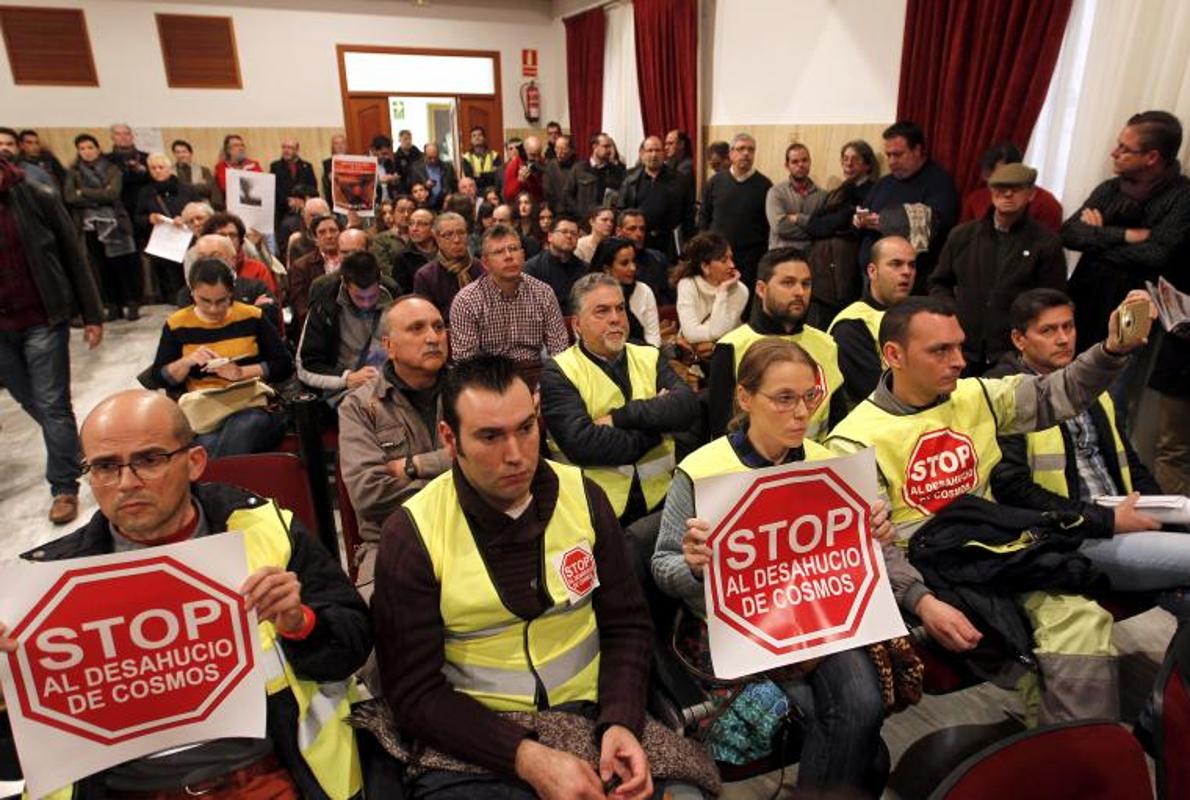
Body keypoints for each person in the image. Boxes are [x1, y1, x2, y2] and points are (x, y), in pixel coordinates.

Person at [0, 389, 371, 799]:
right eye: (105, 467)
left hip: (266, 773)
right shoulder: (45, 583)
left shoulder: (266, 530)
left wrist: (301, 624)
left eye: (149, 460)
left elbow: (352, 647)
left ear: (194, 462)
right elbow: (15, 760)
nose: (126, 483)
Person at [371, 354, 706, 799]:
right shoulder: (412, 534)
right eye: (490, 436)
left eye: (526, 428)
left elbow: (627, 626)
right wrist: (527, 757)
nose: (515, 455)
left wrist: (622, 720)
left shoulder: (584, 496)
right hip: (473, 735)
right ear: (451, 439)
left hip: (593, 717)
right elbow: (414, 693)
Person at [826, 292, 1156, 724]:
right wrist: (922, 601)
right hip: (935, 575)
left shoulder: (977, 395)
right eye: (940, 350)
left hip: (997, 553)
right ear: (894, 355)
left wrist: (1111, 351)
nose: (959, 360)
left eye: (960, 346)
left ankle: (1081, 755)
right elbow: (872, 547)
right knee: (1031, 655)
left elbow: (1060, 392)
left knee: (1082, 622)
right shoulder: (851, 442)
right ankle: (1068, 751)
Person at [653, 338, 891, 794]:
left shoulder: (828, 465)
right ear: (745, 398)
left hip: (816, 621)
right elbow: (663, 567)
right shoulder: (703, 470)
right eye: (784, 398)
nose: (801, 412)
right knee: (851, 737)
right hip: (740, 629)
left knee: (865, 703)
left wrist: (876, 534)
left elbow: (852, 561)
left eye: (809, 396)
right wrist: (696, 567)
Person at [987, 289, 1190, 621]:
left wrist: (1167, 515)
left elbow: (1130, 464)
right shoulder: (1003, 394)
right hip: (1071, 534)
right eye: (1048, 330)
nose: (1063, 339)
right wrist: (1109, 520)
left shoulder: (1089, 384)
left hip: (1122, 516)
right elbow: (1013, 489)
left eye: (1068, 327)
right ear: (1019, 339)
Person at [542, 273, 698, 526]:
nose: (615, 318)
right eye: (601, 311)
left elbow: (687, 408)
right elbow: (583, 444)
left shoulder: (648, 355)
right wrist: (658, 430)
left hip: (662, 500)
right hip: (596, 510)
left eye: (620, 309)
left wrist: (620, 417)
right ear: (577, 325)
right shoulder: (558, 371)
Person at [0, 150, 104, 524]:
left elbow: (74, 256)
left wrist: (92, 314)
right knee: (30, 400)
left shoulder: (36, 195)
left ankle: (64, 487)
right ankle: (75, 450)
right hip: (1, 328)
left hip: (43, 316)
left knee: (52, 403)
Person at [338, 296, 451, 595]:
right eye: (417, 328)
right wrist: (457, 473)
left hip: (466, 528)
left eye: (439, 327)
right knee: (378, 620)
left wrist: (415, 466)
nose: (433, 337)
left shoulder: (469, 389)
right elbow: (368, 493)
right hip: (392, 538)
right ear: (389, 346)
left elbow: (494, 463)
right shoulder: (359, 406)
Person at [929, 162, 1067, 375]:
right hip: (961, 348)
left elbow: (1053, 300)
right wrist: (953, 313)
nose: (1007, 194)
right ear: (991, 192)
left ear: (1031, 194)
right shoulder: (962, 236)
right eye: (1000, 188)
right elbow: (939, 282)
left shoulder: (1045, 243)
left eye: (1016, 189)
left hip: (1014, 355)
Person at [146, 258, 293, 457]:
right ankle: (220, 484)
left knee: (240, 428)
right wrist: (187, 361)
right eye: (205, 301)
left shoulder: (252, 316)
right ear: (192, 293)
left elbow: (284, 365)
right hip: (204, 412)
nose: (214, 309)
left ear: (231, 293)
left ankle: (211, 484)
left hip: (251, 406)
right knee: (209, 441)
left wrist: (241, 372)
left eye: (221, 301)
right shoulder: (177, 324)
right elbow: (159, 377)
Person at [706, 247, 844, 439]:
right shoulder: (731, 347)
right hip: (759, 466)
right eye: (788, 283)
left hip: (821, 461)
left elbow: (839, 421)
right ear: (762, 289)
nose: (799, 292)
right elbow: (723, 431)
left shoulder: (826, 344)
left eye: (806, 284)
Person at [449, 224, 570, 389]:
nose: (508, 256)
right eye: (499, 252)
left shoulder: (543, 292)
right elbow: (466, 363)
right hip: (490, 380)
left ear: (523, 255)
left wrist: (545, 390)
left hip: (535, 374)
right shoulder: (467, 300)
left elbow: (560, 351)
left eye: (513, 249)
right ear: (485, 262)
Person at [855, 121, 960, 293]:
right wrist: (858, 221)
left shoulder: (938, 182)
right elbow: (863, 215)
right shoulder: (884, 183)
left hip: (910, 282)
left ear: (917, 150)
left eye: (897, 155)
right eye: (888, 155)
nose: (891, 161)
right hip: (872, 276)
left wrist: (884, 222)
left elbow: (936, 224)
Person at [297, 250, 394, 407]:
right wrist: (347, 378)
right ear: (345, 283)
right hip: (344, 390)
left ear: (380, 281)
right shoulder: (324, 305)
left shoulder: (394, 295)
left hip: (390, 382)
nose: (366, 304)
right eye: (359, 297)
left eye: (373, 297)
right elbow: (305, 367)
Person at [830, 235, 917, 409]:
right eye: (896, 264)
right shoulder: (851, 325)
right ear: (872, 271)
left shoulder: (919, 315)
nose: (907, 271)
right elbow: (878, 394)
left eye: (912, 265)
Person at [63, 132, 142, 321]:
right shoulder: (73, 172)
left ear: (98, 149)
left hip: (116, 223)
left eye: (90, 147)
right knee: (101, 267)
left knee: (123, 265)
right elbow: (70, 197)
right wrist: (99, 193)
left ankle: (131, 303)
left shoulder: (112, 169)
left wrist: (84, 192)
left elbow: (113, 194)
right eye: (82, 148)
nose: (87, 151)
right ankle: (112, 305)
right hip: (89, 227)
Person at [804, 140, 880, 327]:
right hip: (825, 273)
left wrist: (837, 221)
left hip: (851, 271)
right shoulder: (838, 191)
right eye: (845, 159)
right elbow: (813, 226)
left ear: (867, 164)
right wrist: (845, 216)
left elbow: (854, 230)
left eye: (854, 159)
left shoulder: (873, 191)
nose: (848, 163)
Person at [698, 133, 772, 289]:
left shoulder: (764, 185)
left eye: (750, 150)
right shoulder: (715, 182)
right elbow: (704, 217)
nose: (746, 153)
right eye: (741, 149)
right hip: (718, 256)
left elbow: (768, 225)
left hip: (751, 258)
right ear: (731, 154)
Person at [618, 136, 695, 263]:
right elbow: (621, 211)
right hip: (638, 242)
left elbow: (688, 214)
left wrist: (687, 244)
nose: (654, 155)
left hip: (669, 244)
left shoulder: (679, 180)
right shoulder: (630, 181)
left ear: (663, 153)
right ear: (642, 154)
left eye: (657, 150)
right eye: (650, 151)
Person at [134, 151, 197, 304]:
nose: (157, 171)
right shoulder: (145, 192)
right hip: (163, 242)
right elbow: (137, 218)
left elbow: (200, 209)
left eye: (160, 167)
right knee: (168, 278)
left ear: (169, 169)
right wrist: (149, 218)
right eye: (153, 168)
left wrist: (185, 218)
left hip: (186, 239)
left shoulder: (185, 189)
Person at [183, 233, 281, 332]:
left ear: (232, 259)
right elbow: (193, 327)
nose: (209, 261)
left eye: (215, 255)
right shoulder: (187, 293)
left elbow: (270, 317)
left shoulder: (256, 287)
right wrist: (252, 311)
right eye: (202, 257)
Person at [960, 141, 1063, 231]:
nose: (990, 181)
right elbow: (963, 240)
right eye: (987, 175)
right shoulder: (976, 199)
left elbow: (1047, 246)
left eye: (997, 175)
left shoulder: (1046, 204)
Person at [673, 232, 749, 352]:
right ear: (705, 266)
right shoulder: (688, 285)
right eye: (724, 261)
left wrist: (723, 290)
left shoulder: (741, 291)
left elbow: (719, 331)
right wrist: (708, 335)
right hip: (694, 356)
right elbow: (690, 334)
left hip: (729, 352)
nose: (732, 265)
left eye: (731, 258)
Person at [412, 211, 484, 324]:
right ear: (437, 239)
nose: (456, 240)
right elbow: (425, 319)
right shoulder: (426, 276)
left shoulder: (482, 269)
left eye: (461, 233)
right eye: (448, 235)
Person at [591, 237, 661, 347]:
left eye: (633, 261)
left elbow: (653, 337)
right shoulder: (589, 294)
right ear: (606, 269)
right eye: (624, 263)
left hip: (644, 356)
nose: (633, 268)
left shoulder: (644, 290)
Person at [200, 212, 278, 296]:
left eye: (232, 235)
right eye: (222, 235)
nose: (228, 239)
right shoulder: (199, 267)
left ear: (240, 239)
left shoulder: (257, 269)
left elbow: (270, 304)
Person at [288, 213, 343, 332]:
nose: (329, 236)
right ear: (315, 238)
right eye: (322, 232)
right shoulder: (301, 267)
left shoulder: (351, 260)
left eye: (333, 231)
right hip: (318, 328)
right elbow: (301, 306)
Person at [523, 213, 589, 311]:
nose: (569, 236)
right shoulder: (532, 268)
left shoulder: (585, 269)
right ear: (550, 236)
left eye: (574, 233)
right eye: (564, 231)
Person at [766, 142, 826, 250]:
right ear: (787, 165)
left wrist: (798, 218)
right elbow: (780, 227)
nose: (801, 165)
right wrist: (814, 231)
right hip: (781, 257)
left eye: (804, 160)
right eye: (795, 162)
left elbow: (825, 228)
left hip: (811, 258)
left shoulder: (822, 196)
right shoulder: (776, 192)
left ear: (810, 162)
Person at [616, 208, 676, 305]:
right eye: (632, 229)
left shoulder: (658, 259)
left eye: (642, 229)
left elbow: (670, 296)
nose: (639, 234)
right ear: (619, 231)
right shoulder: (611, 261)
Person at [563, 132, 626, 221]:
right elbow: (567, 195)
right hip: (584, 222)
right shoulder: (579, 169)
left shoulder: (616, 171)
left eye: (610, 147)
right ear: (595, 147)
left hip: (607, 222)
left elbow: (621, 197)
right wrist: (579, 214)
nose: (609, 150)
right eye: (606, 146)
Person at [108, 123, 149, 238]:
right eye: (118, 134)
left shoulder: (146, 158)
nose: (123, 137)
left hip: (145, 208)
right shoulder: (106, 160)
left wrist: (143, 171)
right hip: (118, 209)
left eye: (126, 134)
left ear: (132, 136)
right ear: (112, 137)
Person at [269, 137, 317, 231]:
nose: (286, 150)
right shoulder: (275, 167)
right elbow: (274, 189)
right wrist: (289, 201)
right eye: (284, 147)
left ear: (297, 149)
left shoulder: (307, 166)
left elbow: (313, 188)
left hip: (305, 209)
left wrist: (303, 201)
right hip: (283, 210)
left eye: (290, 148)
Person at [391, 207, 437, 292]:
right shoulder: (403, 257)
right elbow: (402, 292)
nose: (414, 229)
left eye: (421, 224)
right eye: (411, 224)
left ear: (433, 228)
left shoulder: (443, 251)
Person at [171, 138, 222, 209]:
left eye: (184, 152)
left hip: (202, 206)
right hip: (179, 207)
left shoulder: (203, 170)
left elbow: (209, 189)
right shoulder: (169, 172)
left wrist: (184, 187)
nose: (181, 155)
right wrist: (198, 186)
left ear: (190, 153)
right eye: (178, 152)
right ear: (174, 154)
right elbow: (172, 191)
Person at [409, 142, 458, 211]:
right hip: (424, 204)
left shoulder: (447, 167)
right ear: (424, 155)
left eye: (435, 157)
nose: (433, 160)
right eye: (430, 158)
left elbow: (453, 185)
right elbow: (412, 186)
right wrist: (425, 185)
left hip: (444, 204)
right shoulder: (416, 168)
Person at [502, 134, 545, 203]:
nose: (536, 159)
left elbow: (542, 194)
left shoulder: (543, 163)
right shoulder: (514, 164)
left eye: (539, 154)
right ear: (524, 152)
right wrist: (519, 181)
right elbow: (508, 196)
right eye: (533, 155)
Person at [461, 125, 501, 192]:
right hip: (475, 193)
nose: (477, 138)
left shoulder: (495, 155)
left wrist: (478, 175)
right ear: (471, 140)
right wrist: (489, 173)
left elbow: (498, 176)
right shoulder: (466, 157)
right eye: (474, 136)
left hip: (493, 192)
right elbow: (470, 178)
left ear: (484, 138)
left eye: (479, 135)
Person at [543, 134, 576, 210]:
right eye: (557, 148)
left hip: (573, 210)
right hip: (556, 209)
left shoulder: (578, 166)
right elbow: (547, 191)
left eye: (563, 149)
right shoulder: (551, 166)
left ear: (572, 150)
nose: (559, 152)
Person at [321, 132, 349, 202]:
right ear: (332, 147)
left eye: (342, 143)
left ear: (347, 146)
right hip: (336, 201)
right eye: (336, 144)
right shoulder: (327, 163)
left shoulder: (355, 161)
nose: (340, 146)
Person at [393, 129, 423, 194]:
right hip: (403, 188)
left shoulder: (417, 153)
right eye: (405, 139)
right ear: (400, 140)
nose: (408, 141)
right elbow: (396, 174)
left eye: (410, 139)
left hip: (417, 185)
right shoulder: (396, 157)